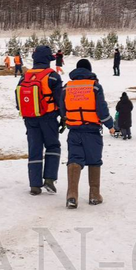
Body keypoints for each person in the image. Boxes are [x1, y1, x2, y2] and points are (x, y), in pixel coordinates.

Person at [61, 58, 115, 208]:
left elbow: (62, 109)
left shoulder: (67, 87)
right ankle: (94, 195)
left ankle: (72, 195)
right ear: (89, 71)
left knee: (74, 159)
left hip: (74, 130)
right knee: (94, 160)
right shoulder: (95, 87)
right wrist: (110, 125)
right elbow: (101, 109)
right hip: (92, 130)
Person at [15, 46, 63, 196]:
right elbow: (60, 100)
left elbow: (18, 101)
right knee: (53, 146)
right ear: (48, 59)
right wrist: (64, 117)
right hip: (48, 118)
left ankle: (34, 185)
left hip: (30, 118)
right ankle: (49, 179)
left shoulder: (25, 76)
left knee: (34, 149)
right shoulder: (53, 76)